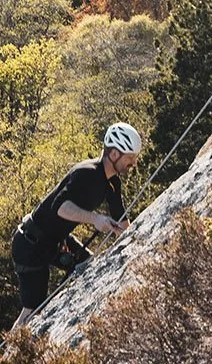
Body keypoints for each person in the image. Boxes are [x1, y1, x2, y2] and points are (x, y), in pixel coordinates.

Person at [9, 122, 140, 331]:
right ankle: (12, 352)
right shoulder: (86, 173)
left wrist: (137, 242)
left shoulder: (113, 183)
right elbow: (60, 207)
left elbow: (122, 221)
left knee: (89, 264)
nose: (133, 163)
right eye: (130, 158)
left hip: (57, 241)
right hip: (30, 244)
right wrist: (96, 219)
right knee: (32, 309)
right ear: (114, 154)